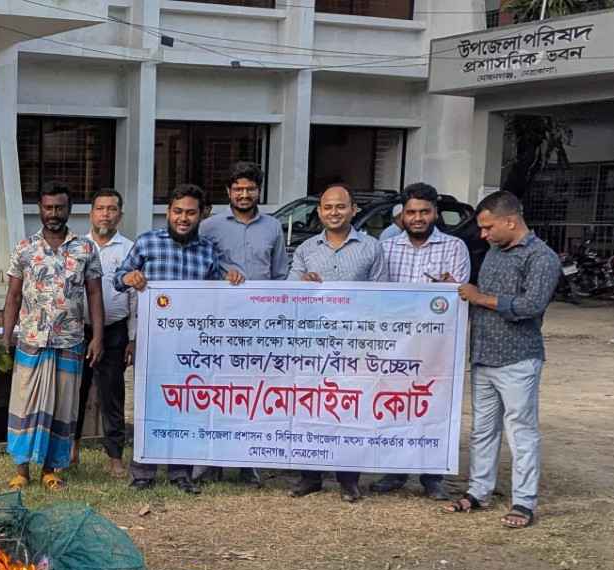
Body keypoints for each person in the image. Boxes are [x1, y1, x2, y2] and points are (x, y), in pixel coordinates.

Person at [115, 183, 245, 494]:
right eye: (177, 212)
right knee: (150, 406)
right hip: (153, 344)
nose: (183, 218)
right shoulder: (148, 243)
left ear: (202, 215)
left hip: (192, 347)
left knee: (187, 405)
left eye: (190, 212)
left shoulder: (208, 252)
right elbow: (118, 278)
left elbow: (218, 295)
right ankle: (143, 473)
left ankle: (181, 472)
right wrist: (128, 277)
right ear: (167, 212)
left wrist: (232, 279)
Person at [444, 190, 562, 529]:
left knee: (521, 431)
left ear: (510, 221)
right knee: (483, 430)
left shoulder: (541, 257)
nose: (483, 235)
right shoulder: (495, 252)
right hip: (483, 356)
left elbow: (530, 306)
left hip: (518, 358)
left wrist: (479, 297)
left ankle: (524, 502)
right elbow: (479, 297)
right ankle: (480, 491)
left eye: (487, 227)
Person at [284, 184, 387, 502]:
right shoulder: (305, 249)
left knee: (349, 408)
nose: (333, 212)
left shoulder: (372, 247)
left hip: (353, 344)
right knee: (310, 406)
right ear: (319, 211)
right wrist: (303, 285)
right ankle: (309, 476)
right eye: (327, 207)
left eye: (340, 207)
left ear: (353, 210)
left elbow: (381, 295)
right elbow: (289, 293)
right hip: (312, 343)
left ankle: (348, 479)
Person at [1, 182, 105, 491]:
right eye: (48, 208)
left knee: (62, 406)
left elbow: (95, 294)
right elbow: (13, 296)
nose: (54, 214)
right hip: (32, 339)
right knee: (24, 404)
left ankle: (50, 469)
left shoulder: (85, 248)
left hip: (70, 340)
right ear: (40, 210)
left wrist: (97, 336)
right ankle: (21, 471)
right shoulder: (24, 248)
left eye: (60, 208)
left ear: (70, 209)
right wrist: (7, 335)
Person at [371, 182, 471, 499]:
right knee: (396, 407)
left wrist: (449, 287)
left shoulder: (455, 247)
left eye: (424, 212)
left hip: (437, 346)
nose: (417, 218)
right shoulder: (386, 248)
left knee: (434, 406)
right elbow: (379, 299)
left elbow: (460, 294)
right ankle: (395, 472)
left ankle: (432, 477)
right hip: (398, 346)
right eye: (411, 212)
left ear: (435, 213)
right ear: (402, 214)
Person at [196, 161, 285, 487]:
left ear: (259, 191)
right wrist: (222, 274)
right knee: (216, 390)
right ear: (228, 192)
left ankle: (249, 462)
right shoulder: (210, 227)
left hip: (260, 324)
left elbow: (279, 275)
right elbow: (201, 268)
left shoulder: (274, 227)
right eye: (238, 189)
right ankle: (210, 462)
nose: (244, 194)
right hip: (220, 321)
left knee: (253, 393)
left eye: (250, 188)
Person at [79, 189, 136, 479]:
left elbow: (136, 296)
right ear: (91, 213)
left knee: (112, 394)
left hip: (115, 332)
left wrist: (133, 337)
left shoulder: (129, 249)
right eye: (100, 208)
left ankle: (115, 456)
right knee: (74, 393)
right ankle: (70, 451)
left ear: (120, 215)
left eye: (112, 209)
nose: (105, 214)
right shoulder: (77, 247)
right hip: (78, 331)